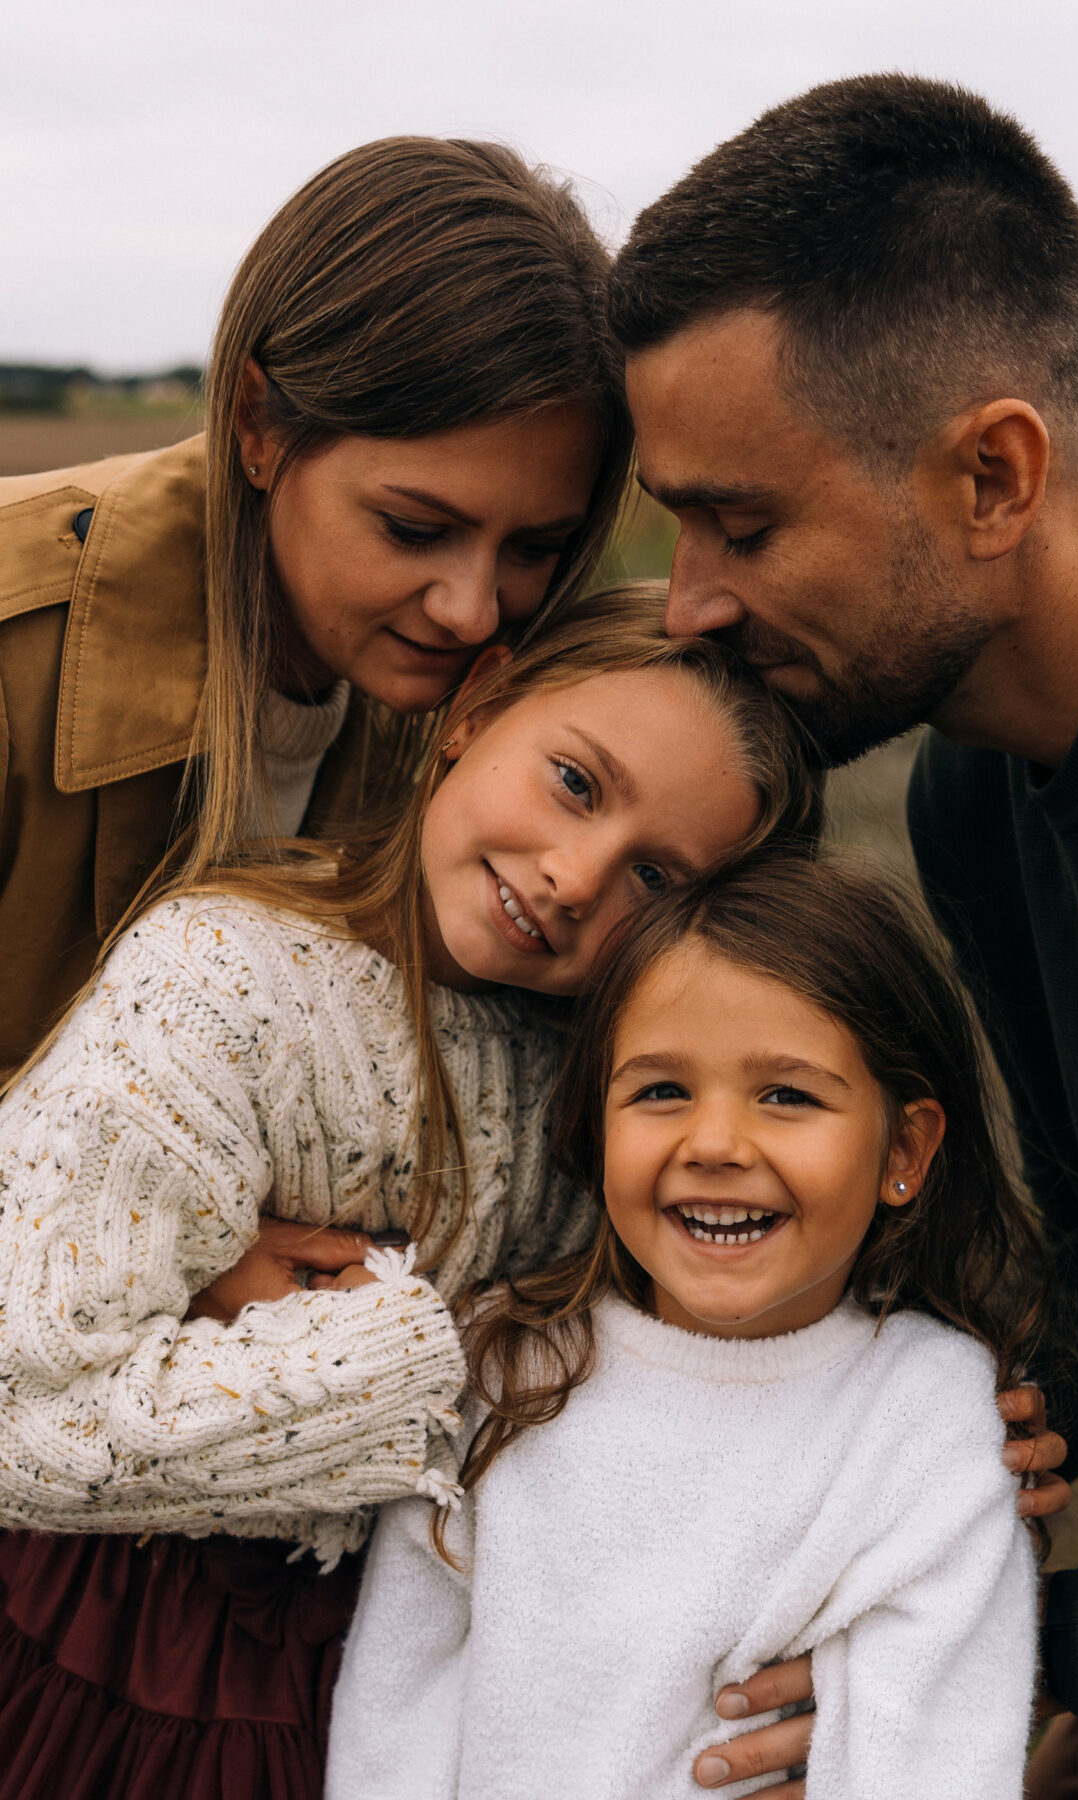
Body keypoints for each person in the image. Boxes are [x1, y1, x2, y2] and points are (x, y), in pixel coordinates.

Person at [608, 71, 1078, 1791]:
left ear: (995, 478)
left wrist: (961, 1639)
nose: (695, 600)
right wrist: (920, 1455)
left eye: (743, 522)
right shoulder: (973, 795)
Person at [0, 585, 816, 1800]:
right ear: (475, 708)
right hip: (127, 1661)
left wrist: (932, 1417)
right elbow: (25, 1416)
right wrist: (440, 1362)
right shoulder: (218, 981)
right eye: (576, 784)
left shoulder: (619, 1088)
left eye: (657, 875)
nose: (579, 875)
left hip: (426, 1673)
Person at [327, 851, 1042, 1800]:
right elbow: (397, 1708)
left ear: (903, 1150)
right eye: (661, 1090)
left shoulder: (928, 1416)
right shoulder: (505, 1371)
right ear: (596, 1124)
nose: (713, 1145)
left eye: (787, 1095)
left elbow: (940, 1750)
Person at [0, 134, 631, 1081]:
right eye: (414, 530)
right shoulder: (16, 650)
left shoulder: (487, 724)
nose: (470, 614)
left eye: (535, 549)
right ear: (256, 423)